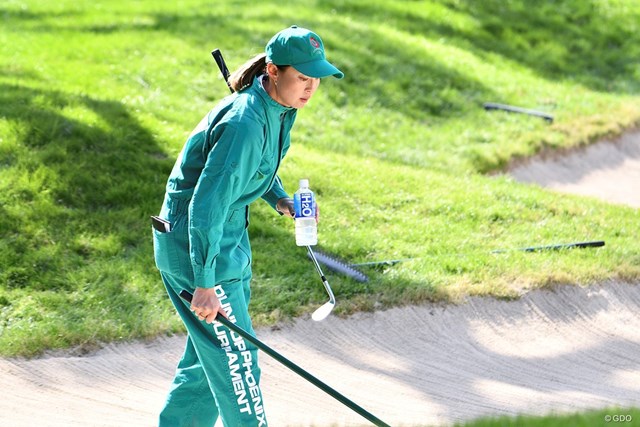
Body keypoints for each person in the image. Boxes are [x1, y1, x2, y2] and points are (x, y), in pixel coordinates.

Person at [152, 25, 343, 427]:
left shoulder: (277, 110)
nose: (310, 88)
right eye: (302, 78)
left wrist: (279, 198)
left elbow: (249, 170)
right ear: (273, 71)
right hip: (198, 248)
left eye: (316, 80)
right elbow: (206, 207)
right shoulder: (244, 123)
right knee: (238, 363)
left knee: (208, 366)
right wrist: (203, 282)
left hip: (223, 243)